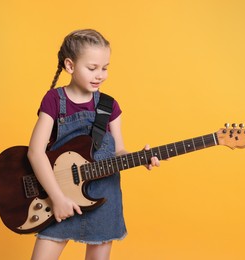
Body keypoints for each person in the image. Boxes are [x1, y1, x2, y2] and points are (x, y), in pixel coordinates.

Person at [27, 29, 160, 260]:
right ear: (70, 66)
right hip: (59, 194)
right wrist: (57, 198)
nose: (100, 75)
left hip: (104, 199)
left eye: (105, 67)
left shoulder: (110, 106)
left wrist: (140, 157)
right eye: (92, 68)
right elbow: (35, 153)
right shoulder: (54, 100)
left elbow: (118, 151)